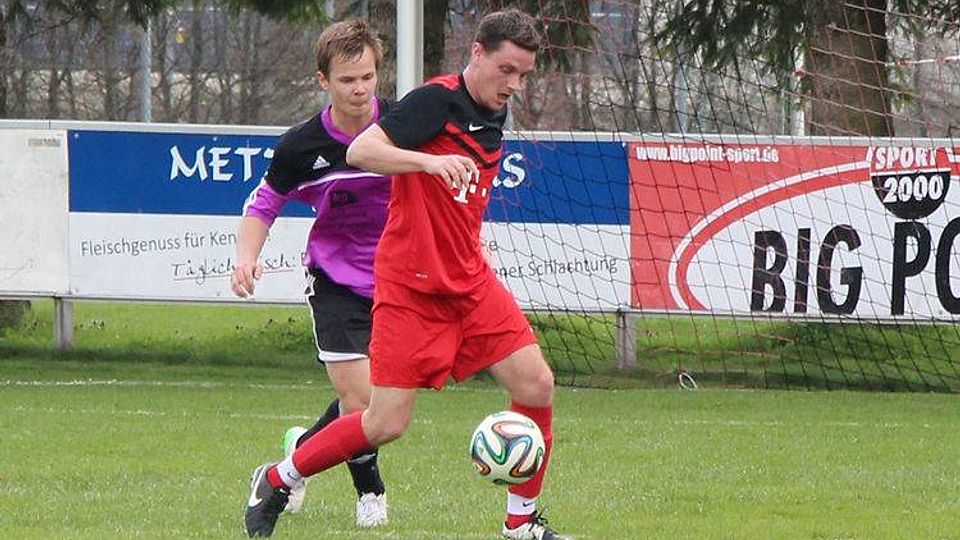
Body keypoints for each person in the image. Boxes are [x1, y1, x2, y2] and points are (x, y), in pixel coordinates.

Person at [243, 9, 567, 540]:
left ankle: (521, 523)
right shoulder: (434, 102)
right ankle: (278, 476)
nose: (515, 84)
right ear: (478, 54)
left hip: (468, 279)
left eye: (524, 75)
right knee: (383, 422)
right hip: (409, 288)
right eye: (507, 69)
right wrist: (429, 163)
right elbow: (361, 148)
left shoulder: (492, 111)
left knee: (537, 384)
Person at [232, 19, 390, 530]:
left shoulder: (404, 128)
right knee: (363, 401)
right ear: (323, 81)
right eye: (347, 80)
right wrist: (245, 257)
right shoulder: (302, 145)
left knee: (376, 400)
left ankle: (298, 454)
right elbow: (264, 204)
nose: (360, 89)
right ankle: (371, 492)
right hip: (335, 280)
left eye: (367, 77)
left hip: (397, 282)